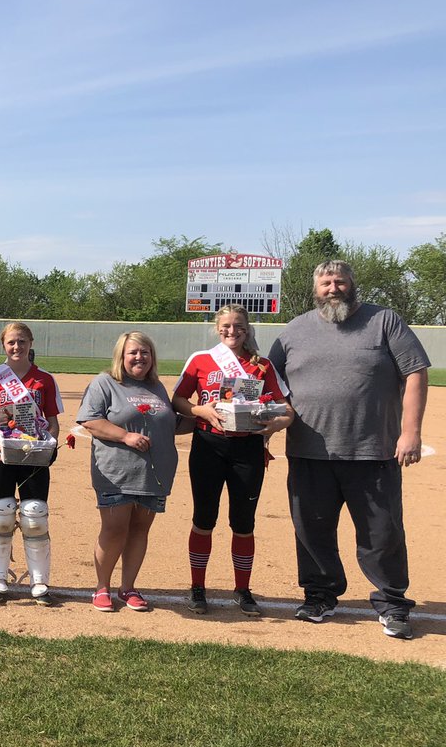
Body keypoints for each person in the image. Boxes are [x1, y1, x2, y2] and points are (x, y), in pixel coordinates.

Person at [268, 260, 430, 640]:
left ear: (352, 285)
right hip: (309, 452)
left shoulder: (384, 321)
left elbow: (415, 372)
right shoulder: (295, 329)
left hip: (372, 450)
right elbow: (267, 382)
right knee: (312, 530)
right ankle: (320, 596)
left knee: (382, 533)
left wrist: (410, 432)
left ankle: (392, 603)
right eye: (325, 282)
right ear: (315, 288)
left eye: (340, 281)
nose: (333, 288)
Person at [172, 305, 294, 616]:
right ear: (217, 328)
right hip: (208, 446)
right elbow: (178, 400)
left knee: (243, 522)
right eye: (226, 325)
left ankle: (242, 589)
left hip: (248, 449)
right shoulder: (200, 359)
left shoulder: (262, 365)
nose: (232, 331)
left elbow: (286, 409)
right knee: (204, 518)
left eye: (238, 326)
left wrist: (275, 422)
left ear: (247, 329)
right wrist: (202, 411)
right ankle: (197, 587)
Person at [76, 331, 178, 613]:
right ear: (121, 355)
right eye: (133, 352)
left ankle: (128, 588)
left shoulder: (157, 387)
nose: (139, 357)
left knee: (139, 531)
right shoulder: (105, 383)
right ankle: (102, 588)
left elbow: (168, 423)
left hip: (154, 474)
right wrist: (125, 436)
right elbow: (90, 420)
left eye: (145, 352)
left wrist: (211, 416)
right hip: (116, 472)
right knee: (114, 529)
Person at [0, 322, 63, 604]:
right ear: (4, 345)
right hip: (2, 455)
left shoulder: (45, 380)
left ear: (30, 343)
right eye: (12, 342)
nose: (17, 347)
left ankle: (39, 581)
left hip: (33, 457)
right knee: (1, 514)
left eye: (22, 341)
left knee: (34, 515)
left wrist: (46, 443)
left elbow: (52, 422)